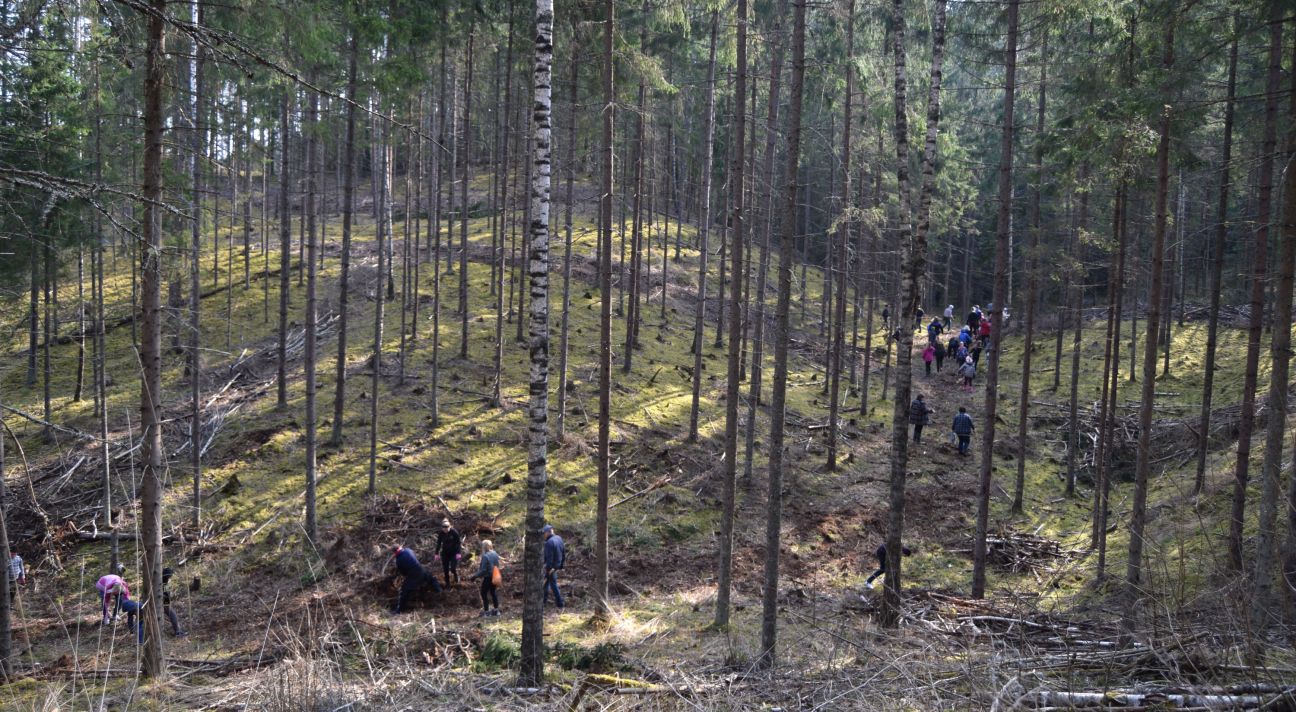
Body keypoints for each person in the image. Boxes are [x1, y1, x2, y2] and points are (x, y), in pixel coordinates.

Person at [390, 544, 441, 614]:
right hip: (421, 569)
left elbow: (404, 573)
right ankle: (439, 592)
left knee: (404, 591)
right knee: (432, 579)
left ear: (394, 552)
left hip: (414, 575)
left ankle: (399, 610)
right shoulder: (408, 550)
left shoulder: (398, 560)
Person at [470, 540, 502, 617]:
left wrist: (475, 576)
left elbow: (483, 570)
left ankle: (487, 612)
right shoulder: (495, 553)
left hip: (488, 577)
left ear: (484, 547)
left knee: (483, 593)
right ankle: (496, 611)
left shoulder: (485, 556)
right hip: (495, 576)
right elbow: (497, 565)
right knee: (493, 592)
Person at [434, 519, 463, 587]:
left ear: (450, 527)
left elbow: (458, 543)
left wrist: (459, 553)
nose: (445, 530)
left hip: (454, 552)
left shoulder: (454, 532)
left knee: (453, 568)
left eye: (447, 528)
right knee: (445, 569)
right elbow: (438, 543)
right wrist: (436, 553)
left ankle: (456, 575)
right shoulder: (441, 533)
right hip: (445, 553)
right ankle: (447, 583)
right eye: (444, 528)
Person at [543, 524, 565, 611]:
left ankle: (560, 603)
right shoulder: (559, 538)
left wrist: (548, 569)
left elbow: (549, 558)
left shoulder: (549, 543)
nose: (543, 535)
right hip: (556, 566)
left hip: (551, 568)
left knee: (552, 584)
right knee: (547, 584)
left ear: (548, 532)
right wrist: (561, 565)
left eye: (544, 533)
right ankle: (543, 602)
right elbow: (563, 552)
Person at [162, 567, 186, 637]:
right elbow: (165, 594)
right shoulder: (163, 581)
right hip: (162, 601)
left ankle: (178, 631)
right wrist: (166, 602)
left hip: (165, 601)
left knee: (173, 614)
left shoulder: (165, 581)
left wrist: (168, 601)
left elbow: (167, 594)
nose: (171, 577)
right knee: (173, 615)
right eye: (170, 575)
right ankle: (178, 632)